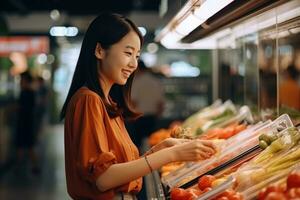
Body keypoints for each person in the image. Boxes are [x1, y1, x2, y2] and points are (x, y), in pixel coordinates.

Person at [60, 13, 216, 200]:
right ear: (100, 51)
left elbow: (121, 170)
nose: (134, 64)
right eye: (128, 53)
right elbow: (104, 178)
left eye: (137, 55)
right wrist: (171, 154)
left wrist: (162, 148)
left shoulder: (107, 102)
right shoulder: (88, 100)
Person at [130, 60, 164, 149]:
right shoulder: (156, 81)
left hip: (139, 117)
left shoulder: (137, 82)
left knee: (137, 144)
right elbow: (160, 103)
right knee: (152, 142)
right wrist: (158, 115)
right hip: (152, 117)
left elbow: (133, 102)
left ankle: (140, 161)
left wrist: (129, 116)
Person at [15, 71, 39, 174]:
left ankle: (21, 166)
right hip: (28, 122)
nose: (20, 82)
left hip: (24, 123)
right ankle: (32, 166)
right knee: (28, 146)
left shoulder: (25, 92)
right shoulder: (31, 92)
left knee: (23, 145)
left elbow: (22, 107)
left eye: (22, 80)